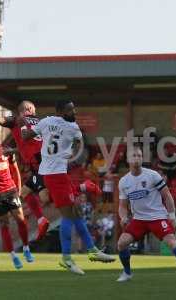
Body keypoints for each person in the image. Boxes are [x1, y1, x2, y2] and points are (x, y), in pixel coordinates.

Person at [22, 99, 115, 275]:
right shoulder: (73, 128)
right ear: (60, 111)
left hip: (50, 174)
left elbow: (26, 136)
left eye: (74, 109)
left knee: (75, 213)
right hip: (56, 175)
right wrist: (68, 149)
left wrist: (28, 125)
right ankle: (67, 259)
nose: (74, 113)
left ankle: (92, 250)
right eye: (70, 110)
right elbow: (78, 143)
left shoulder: (46, 121)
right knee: (68, 215)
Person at [116, 146, 176, 283]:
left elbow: (167, 196)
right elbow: (122, 205)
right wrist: (124, 217)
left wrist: (172, 217)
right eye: (133, 156)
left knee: (172, 243)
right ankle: (127, 273)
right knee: (121, 243)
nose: (136, 158)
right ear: (128, 159)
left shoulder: (152, 175)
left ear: (142, 158)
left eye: (139, 155)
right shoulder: (124, 182)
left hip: (157, 217)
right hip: (139, 219)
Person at [0, 101, 50, 241]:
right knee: (24, 192)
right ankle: (41, 220)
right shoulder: (39, 122)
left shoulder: (18, 120)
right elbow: (31, 145)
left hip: (40, 165)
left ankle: (81, 187)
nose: (34, 112)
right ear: (30, 109)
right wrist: (13, 150)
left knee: (45, 198)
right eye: (33, 110)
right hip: (44, 161)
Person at [0, 126, 34, 269]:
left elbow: (15, 169)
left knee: (21, 220)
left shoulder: (7, 150)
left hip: (10, 190)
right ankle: (13, 255)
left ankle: (26, 248)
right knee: (4, 224)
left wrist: (19, 188)